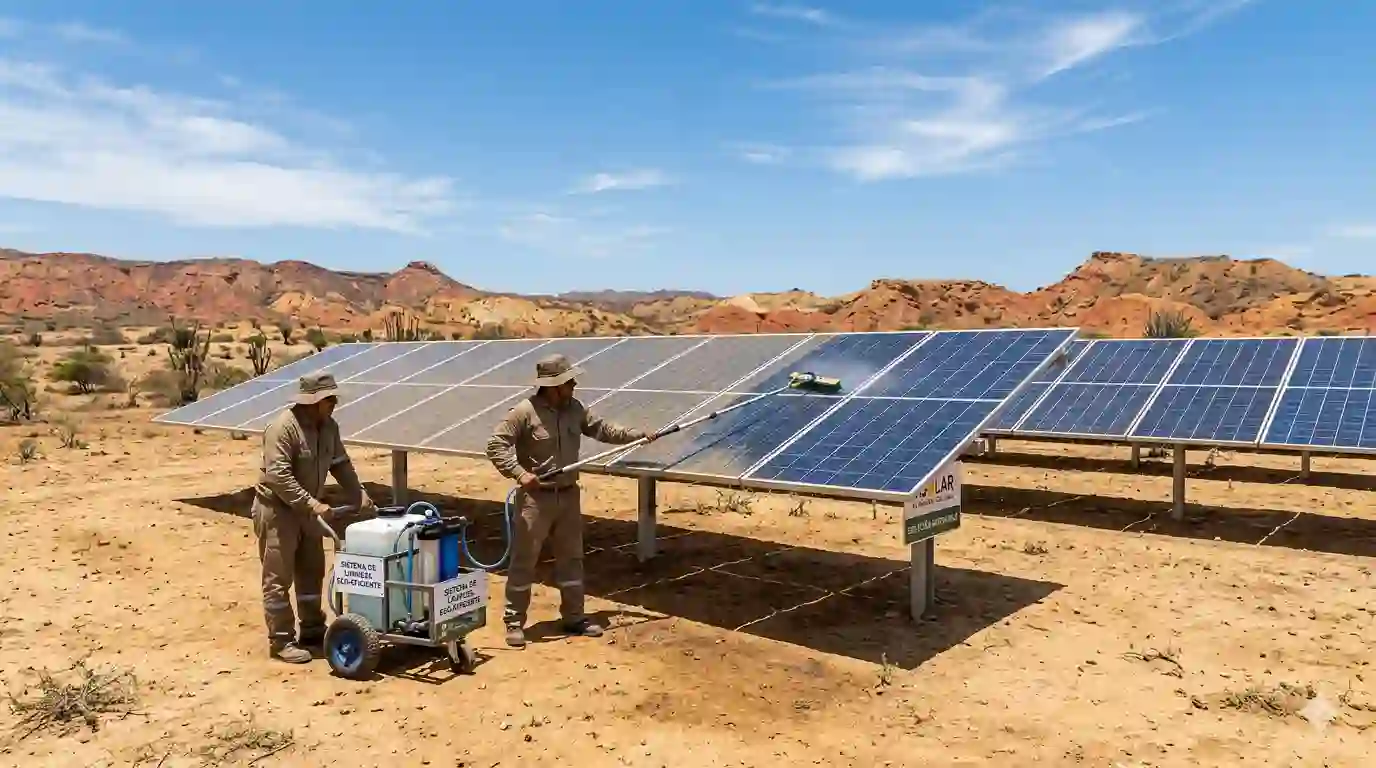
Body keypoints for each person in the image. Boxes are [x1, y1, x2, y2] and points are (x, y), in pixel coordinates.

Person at [486, 353, 656, 648]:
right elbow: (496, 445)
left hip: (567, 496)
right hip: (535, 500)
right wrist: (519, 473)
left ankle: (574, 617)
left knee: (572, 559)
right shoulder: (524, 412)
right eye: (569, 380)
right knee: (525, 561)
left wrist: (637, 436)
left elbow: (602, 429)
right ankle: (514, 623)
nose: (575, 384)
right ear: (553, 386)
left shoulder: (574, 408)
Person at [252, 371, 376, 663]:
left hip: (308, 511)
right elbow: (278, 476)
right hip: (278, 510)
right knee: (278, 577)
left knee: (312, 571)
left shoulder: (329, 427)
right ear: (313, 401)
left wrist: (358, 494)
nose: (334, 403)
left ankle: (312, 629)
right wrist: (310, 503)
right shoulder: (283, 428)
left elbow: (341, 463)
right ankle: (281, 641)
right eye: (328, 399)